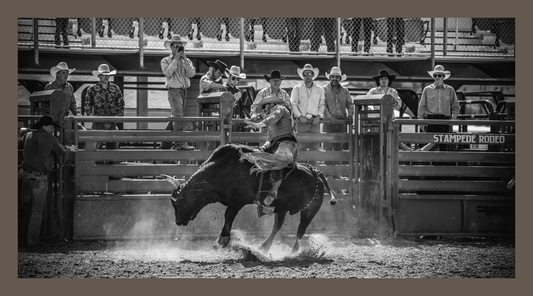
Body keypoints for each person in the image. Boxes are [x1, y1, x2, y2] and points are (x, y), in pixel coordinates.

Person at [18, 116, 77, 247]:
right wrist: (69, 148)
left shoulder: (28, 135)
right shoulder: (49, 138)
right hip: (38, 177)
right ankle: (32, 241)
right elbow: (61, 151)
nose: (52, 128)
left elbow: (20, 140)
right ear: (44, 126)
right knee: (37, 209)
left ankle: (20, 236)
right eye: (51, 126)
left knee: (23, 203)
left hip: (24, 173)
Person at [243, 96, 297, 209]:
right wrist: (263, 148)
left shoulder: (280, 108)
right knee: (254, 158)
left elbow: (273, 117)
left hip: (287, 144)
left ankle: (273, 193)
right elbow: (270, 139)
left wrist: (257, 124)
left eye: (266, 106)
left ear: (272, 104)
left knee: (278, 160)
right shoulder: (271, 122)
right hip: (276, 145)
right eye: (264, 107)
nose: (265, 110)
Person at [161, 35, 196, 150]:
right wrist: (176, 59)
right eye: (176, 46)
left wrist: (184, 59)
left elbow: (191, 74)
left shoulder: (186, 60)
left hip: (184, 91)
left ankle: (165, 145)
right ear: (171, 47)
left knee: (176, 116)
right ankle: (179, 144)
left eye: (180, 46)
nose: (179, 48)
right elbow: (168, 73)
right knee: (178, 116)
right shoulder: (166, 60)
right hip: (174, 91)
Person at [417, 65, 460, 151]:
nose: (437, 77)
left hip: (445, 121)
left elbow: (456, 106)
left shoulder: (450, 90)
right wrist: (421, 123)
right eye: (435, 75)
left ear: (443, 77)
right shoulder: (427, 89)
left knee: (444, 147)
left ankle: (441, 164)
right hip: (431, 121)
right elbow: (421, 107)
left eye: (439, 75)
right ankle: (431, 164)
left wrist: (452, 119)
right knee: (429, 147)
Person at [84, 64, 124, 151]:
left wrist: (117, 117)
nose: (106, 77)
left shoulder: (115, 88)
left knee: (112, 146)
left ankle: (111, 163)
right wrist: (92, 117)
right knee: (94, 146)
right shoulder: (92, 89)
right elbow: (87, 105)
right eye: (103, 75)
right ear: (99, 76)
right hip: (98, 121)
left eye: (107, 75)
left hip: (112, 121)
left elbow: (120, 104)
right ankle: (96, 162)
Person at [290, 64, 325, 162]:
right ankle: (301, 173)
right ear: (303, 75)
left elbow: (322, 104)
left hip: (315, 121)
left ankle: (314, 173)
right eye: (306, 73)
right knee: (301, 148)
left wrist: (319, 116)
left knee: (315, 149)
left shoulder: (320, 89)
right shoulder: (296, 88)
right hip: (302, 122)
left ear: (313, 75)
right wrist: (300, 116)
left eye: (310, 73)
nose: (308, 75)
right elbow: (293, 104)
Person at [322, 67, 354, 154]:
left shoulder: (345, 90)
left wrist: (350, 115)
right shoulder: (324, 89)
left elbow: (350, 104)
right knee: (328, 148)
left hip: (340, 123)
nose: (334, 79)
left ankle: (337, 165)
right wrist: (329, 117)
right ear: (330, 78)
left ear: (340, 79)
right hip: (328, 123)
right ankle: (329, 166)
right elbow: (323, 105)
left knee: (339, 148)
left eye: (337, 77)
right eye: (333, 77)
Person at [224, 65, 250, 131]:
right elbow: (224, 107)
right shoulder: (223, 90)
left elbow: (241, 107)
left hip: (238, 122)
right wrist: (234, 98)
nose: (235, 80)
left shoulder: (238, 90)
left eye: (238, 79)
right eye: (233, 78)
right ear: (229, 77)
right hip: (227, 121)